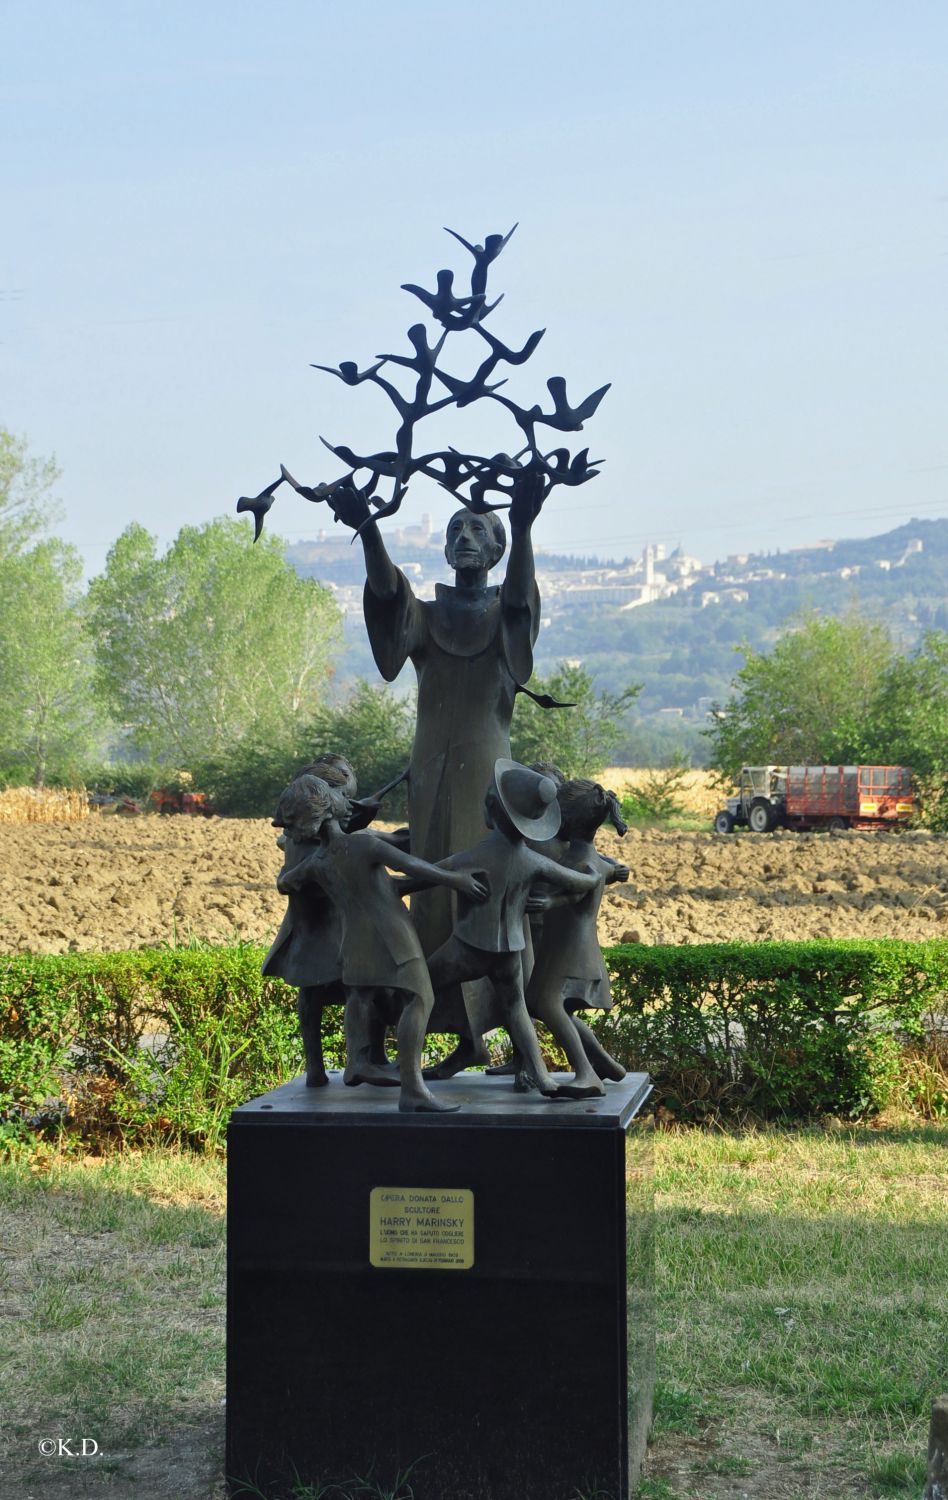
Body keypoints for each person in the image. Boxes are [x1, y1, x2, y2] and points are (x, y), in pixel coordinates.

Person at [330, 480, 544, 957]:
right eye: (455, 531)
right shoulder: (426, 617)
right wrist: (369, 530)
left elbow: (517, 602)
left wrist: (524, 527)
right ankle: (425, 996)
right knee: (431, 867)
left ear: (496, 550)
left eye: (477, 529)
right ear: (446, 550)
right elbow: (388, 596)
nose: (465, 537)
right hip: (428, 767)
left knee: (489, 864)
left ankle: (489, 1001)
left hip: (489, 769)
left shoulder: (505, 613)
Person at [272, 774, 487, 1113]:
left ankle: (356, 1061)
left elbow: (287, 883)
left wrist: (286, 880)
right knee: (419, 998)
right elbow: (413, 865)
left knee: (360, 995)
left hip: (352, 941)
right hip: (391, 936)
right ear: (329, 809)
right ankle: (413, 1088)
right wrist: (455, 879)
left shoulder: (317, 862)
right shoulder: (364, 843)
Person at [423, 760, 601, 1096]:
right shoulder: (533, 859)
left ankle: (409, 1074)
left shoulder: (475, 856)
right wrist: (596, 875)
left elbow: (420, 875)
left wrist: (388, 874)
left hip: (469, 948)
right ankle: (542, 1076)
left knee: (420, 986)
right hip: (510, 950)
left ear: (492, 809)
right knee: (515, 1006)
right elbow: (582, 880)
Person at [525, 778, 630, 1097]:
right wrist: (617, 871)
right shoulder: (589, 857)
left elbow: (585, 883)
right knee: (548, 1006)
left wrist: (549, 901)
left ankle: (587, 1074)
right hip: (567, 944)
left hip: (572, 948)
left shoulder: (580, 862)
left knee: (544, 1002)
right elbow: (606, 873)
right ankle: (604, 1063)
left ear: (566, 821)